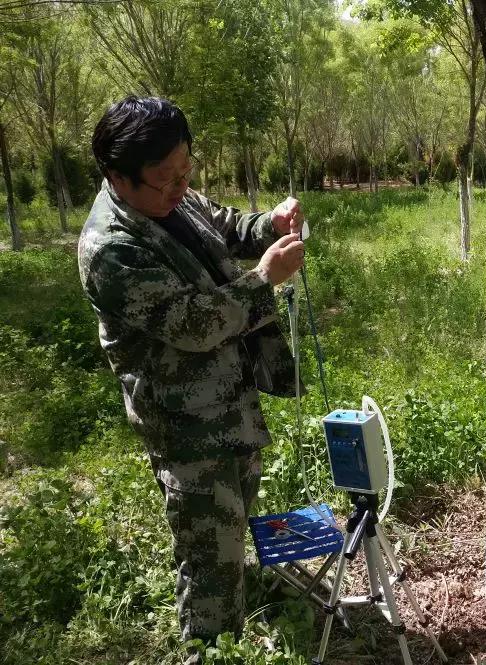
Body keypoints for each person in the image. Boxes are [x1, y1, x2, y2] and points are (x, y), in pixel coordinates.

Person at [78, 96, 306, 659]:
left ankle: (238, 599)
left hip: (228, 400)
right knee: (208, 552)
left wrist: (267, 226)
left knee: (236, 515)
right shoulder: (112, 249)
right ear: (118, 178)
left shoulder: (169, 199)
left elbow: (222, 225)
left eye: (185, 172)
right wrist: (264, 280)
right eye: (164, 179)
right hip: (186, 423)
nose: (180, 186)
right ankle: (212, 644)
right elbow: (193, 325)